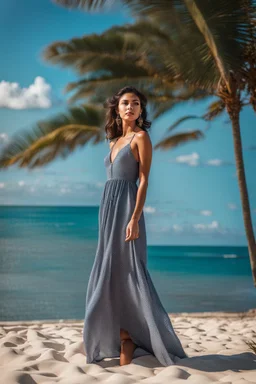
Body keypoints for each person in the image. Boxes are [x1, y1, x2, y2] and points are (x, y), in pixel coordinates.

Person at [83, 86, 188, 366]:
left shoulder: (142, 137)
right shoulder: (112, 141)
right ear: (117, 109)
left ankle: (136, 335)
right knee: (109, 271)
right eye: (125, 103)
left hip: (128, 208)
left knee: (130, 270)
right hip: (108, 210)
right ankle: (123, 335)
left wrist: (134, 218)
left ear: (141, 110)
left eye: (136, 103)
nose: (130, 107)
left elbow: (143, 180)